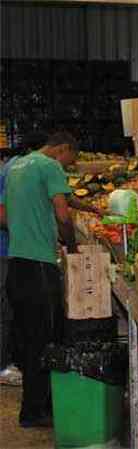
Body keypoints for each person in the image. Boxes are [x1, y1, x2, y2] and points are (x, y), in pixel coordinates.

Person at [0, 132, 101, 427]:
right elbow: (62, 213)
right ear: (62, 150)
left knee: (27, 338)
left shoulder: (16, 166)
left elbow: (6, 213)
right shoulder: (50, 166)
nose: (70, 167)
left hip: (17, 263)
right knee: (46, 339)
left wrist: (89, 207)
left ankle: (33, 407)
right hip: (40, 267)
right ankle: (35, 411)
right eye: (71, 161)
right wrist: (71, 248)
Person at [0, 149, 22, 387]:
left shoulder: (10, 169)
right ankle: (2, 367)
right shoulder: (12, 172)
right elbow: (2, 215)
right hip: (3, 251)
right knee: (4, 311)